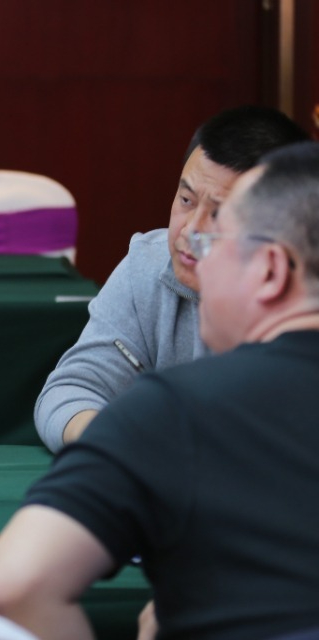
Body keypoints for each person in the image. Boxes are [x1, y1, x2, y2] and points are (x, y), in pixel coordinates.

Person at [0, 141, 319, 640]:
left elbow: (15, 585)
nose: (194, 254)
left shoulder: (179, 411)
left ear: (269, 270)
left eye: (216, 243)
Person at [34, 106, 310, 452]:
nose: (190, 231)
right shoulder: (150, 266)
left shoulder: (303, 308)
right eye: (186, 200)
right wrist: (114, 440)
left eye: (219, 216)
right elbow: (74, 388)